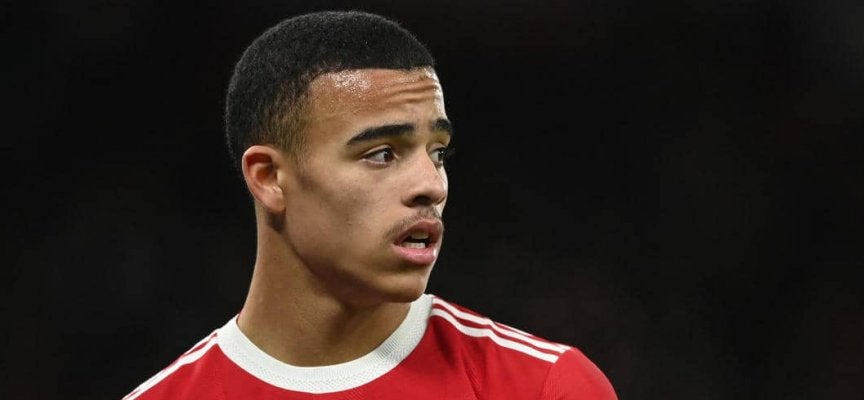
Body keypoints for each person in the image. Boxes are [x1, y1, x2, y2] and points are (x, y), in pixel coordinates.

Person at [123, 11, 617, 399]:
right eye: (382, 154)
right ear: (269, 178)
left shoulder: (545, 387)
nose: (432, 185)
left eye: (438, 152)